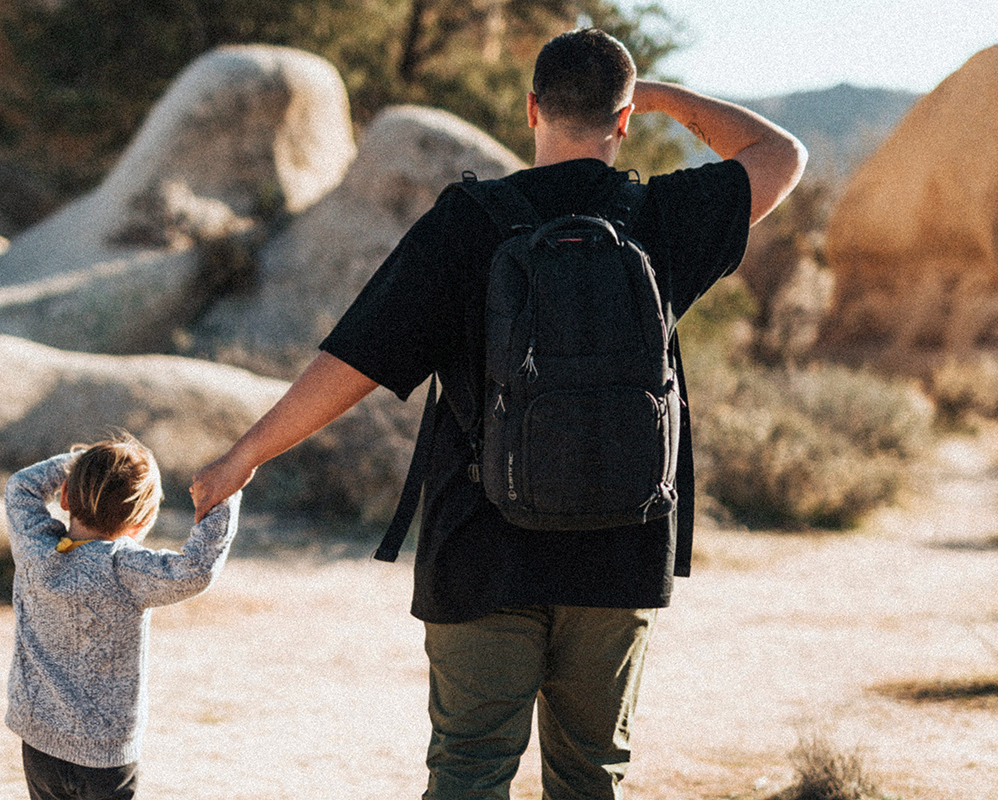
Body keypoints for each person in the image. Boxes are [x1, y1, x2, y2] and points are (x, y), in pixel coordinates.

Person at [190, 27, 805, 800]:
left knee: (469, 774)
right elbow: (782, 156)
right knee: (590, 779)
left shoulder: (468, 221)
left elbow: (356, 360)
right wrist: (660, 98)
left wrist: (245, 453)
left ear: (530, 110)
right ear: (622, 122)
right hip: (620, 550)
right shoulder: (663, 218)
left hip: (480, 549)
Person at [5, 432, 240, 800]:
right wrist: (225, 496)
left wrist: (79, 461)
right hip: (104, 759)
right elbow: (197, 569)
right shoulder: (126, 569)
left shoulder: (34, 548)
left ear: (65, 497)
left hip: (39, 745)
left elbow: (21, 486)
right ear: (141, 521)